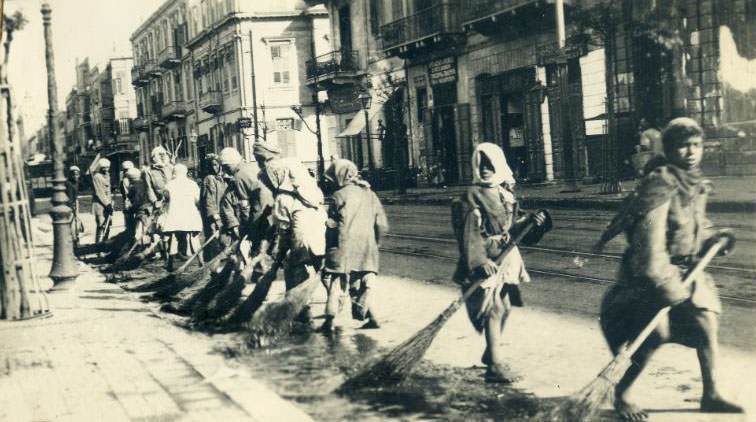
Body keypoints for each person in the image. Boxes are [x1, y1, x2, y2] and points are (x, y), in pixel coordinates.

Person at [599, 117, 743, 420]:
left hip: (686, 272)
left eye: (696, 145)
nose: (691, 152)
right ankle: (621, 394)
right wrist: (668, 286)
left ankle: (711, 393)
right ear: (668, 148)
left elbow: (694, 227)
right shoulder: (661, 184)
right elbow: (650, 247)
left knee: (706, 322)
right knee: (654, 335)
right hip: (647, 275)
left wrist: (713, 237)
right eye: (682, 145)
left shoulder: (694, 182)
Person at [452, 142, 545, 384]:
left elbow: (511, 228)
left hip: (505, 258)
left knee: (504, 307)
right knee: (493, 309)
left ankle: (490, 353)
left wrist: (530, 222)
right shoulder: (470, 197)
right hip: (484, 260)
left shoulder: (505, 194)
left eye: (490, 164)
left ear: (499, 164)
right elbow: (468, 234)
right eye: (480, 164)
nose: (484, 169)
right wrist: (480, 261)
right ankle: (494, 365)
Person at [322, 159, 388, 332]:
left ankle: (329, 322)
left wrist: (328, 249)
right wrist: (376, 244)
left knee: (336, 284)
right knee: (365, 282)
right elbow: (381, 224)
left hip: (344, 248)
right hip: (367, 247)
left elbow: (332, 225)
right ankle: (373, 318)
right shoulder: (369, 193)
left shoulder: (338, 196)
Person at [263, 157, 327, 326]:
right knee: (323, 269)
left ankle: (301, 310)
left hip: (301, 242)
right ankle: (337, 299)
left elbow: (284, 229)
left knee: (293, 270)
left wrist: (281, 251)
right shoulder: (311, 190)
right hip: (320, 237)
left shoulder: (284, 197)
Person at [163, 163, 203, 272]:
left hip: (175, 216)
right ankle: (201, 262)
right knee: (194, 239)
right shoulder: (193, 184)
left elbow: (166, 199)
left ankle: (170, 264)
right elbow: (198, 200)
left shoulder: (169, 185)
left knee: (174, 239)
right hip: (190, 215)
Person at [200, 153, 226, 259]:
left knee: (221, 235)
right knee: (213, 234)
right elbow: (208, 199)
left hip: (222, 211)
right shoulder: (209, 179)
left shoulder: (220, 178)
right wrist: (214, 214)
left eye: (216, 165)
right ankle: (213, 259)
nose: (214, 167)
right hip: (213, 213)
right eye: (212, 165)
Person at [91, 158, 113, 243]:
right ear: (100, 167)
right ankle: (98, 246)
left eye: (107, 167)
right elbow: (99, 192)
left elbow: (108, 191)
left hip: (108, 204)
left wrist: (109, 204)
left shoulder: (107, 175)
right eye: (104, 167)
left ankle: (105, 244)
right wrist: (107, 204)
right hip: (100, 204)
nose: (106, 169)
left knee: (108, 225)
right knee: (101, 226)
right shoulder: (97, 177)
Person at [66, 166, 81, 246]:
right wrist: (72, 208)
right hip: (69, 205)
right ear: (70, 175)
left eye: (77, 174)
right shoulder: (68, 183)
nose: (75, 176)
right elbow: (69, 198)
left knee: (76, 223)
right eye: (74, 174)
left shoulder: (76, 182)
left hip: (75, 203)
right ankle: (73, 241)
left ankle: (76, 239)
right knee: (71, 224)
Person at [120, 160, 136, 235]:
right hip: (130, 201)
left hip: (130, 201)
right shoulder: (126, 178)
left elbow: (126, 192)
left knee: (130, 221)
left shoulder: (126, 179)